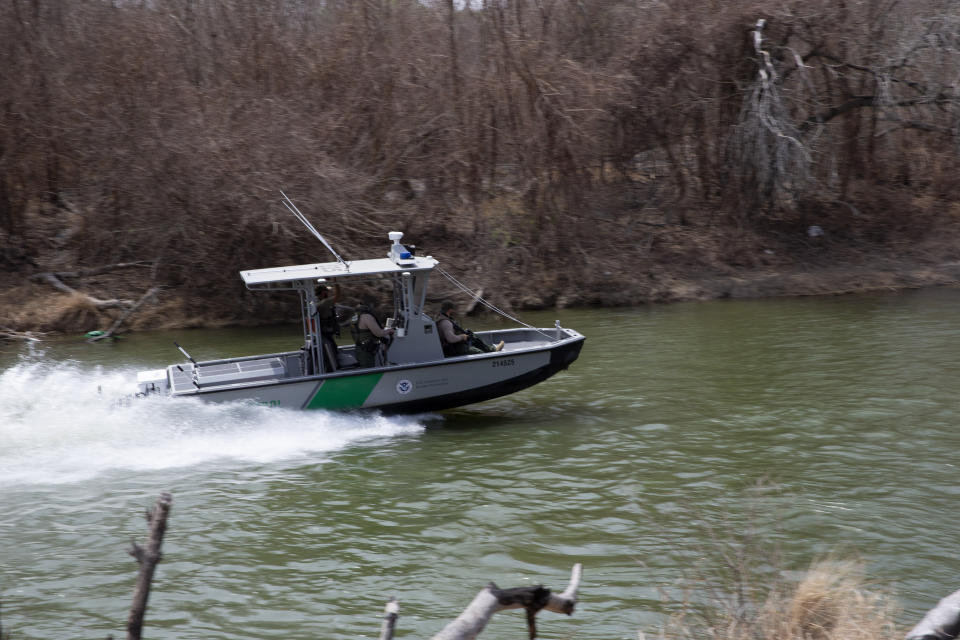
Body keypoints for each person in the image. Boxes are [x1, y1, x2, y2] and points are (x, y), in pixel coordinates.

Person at [436, 300, 504, 356]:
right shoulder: (445, 322)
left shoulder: (441, 318)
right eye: (452, 309)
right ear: (450, 310)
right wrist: (462, 337)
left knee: (474, 337)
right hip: (453, 348)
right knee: (479, 353)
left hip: (455, 345)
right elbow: (451, 339)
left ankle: (492, 350)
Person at [350, 297, 395, 368]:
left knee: (364, 369)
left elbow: (362, 329)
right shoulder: (366, 316)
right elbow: (378, 333)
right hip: (366, 351)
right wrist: (390, 330)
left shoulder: (355, 315)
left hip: (359, 348)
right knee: (368, 371)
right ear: (369, 305)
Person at [310, 284, 342, 372]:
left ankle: (331, 369)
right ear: (324, 293)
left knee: (331, 351)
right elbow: (338, 296)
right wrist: (336, 283)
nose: (328, 293)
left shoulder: (317, 303)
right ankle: (333, 371)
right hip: (325, 335)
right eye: (327, 292)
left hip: (325, 335)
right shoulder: (324, 303)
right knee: (332, 352)